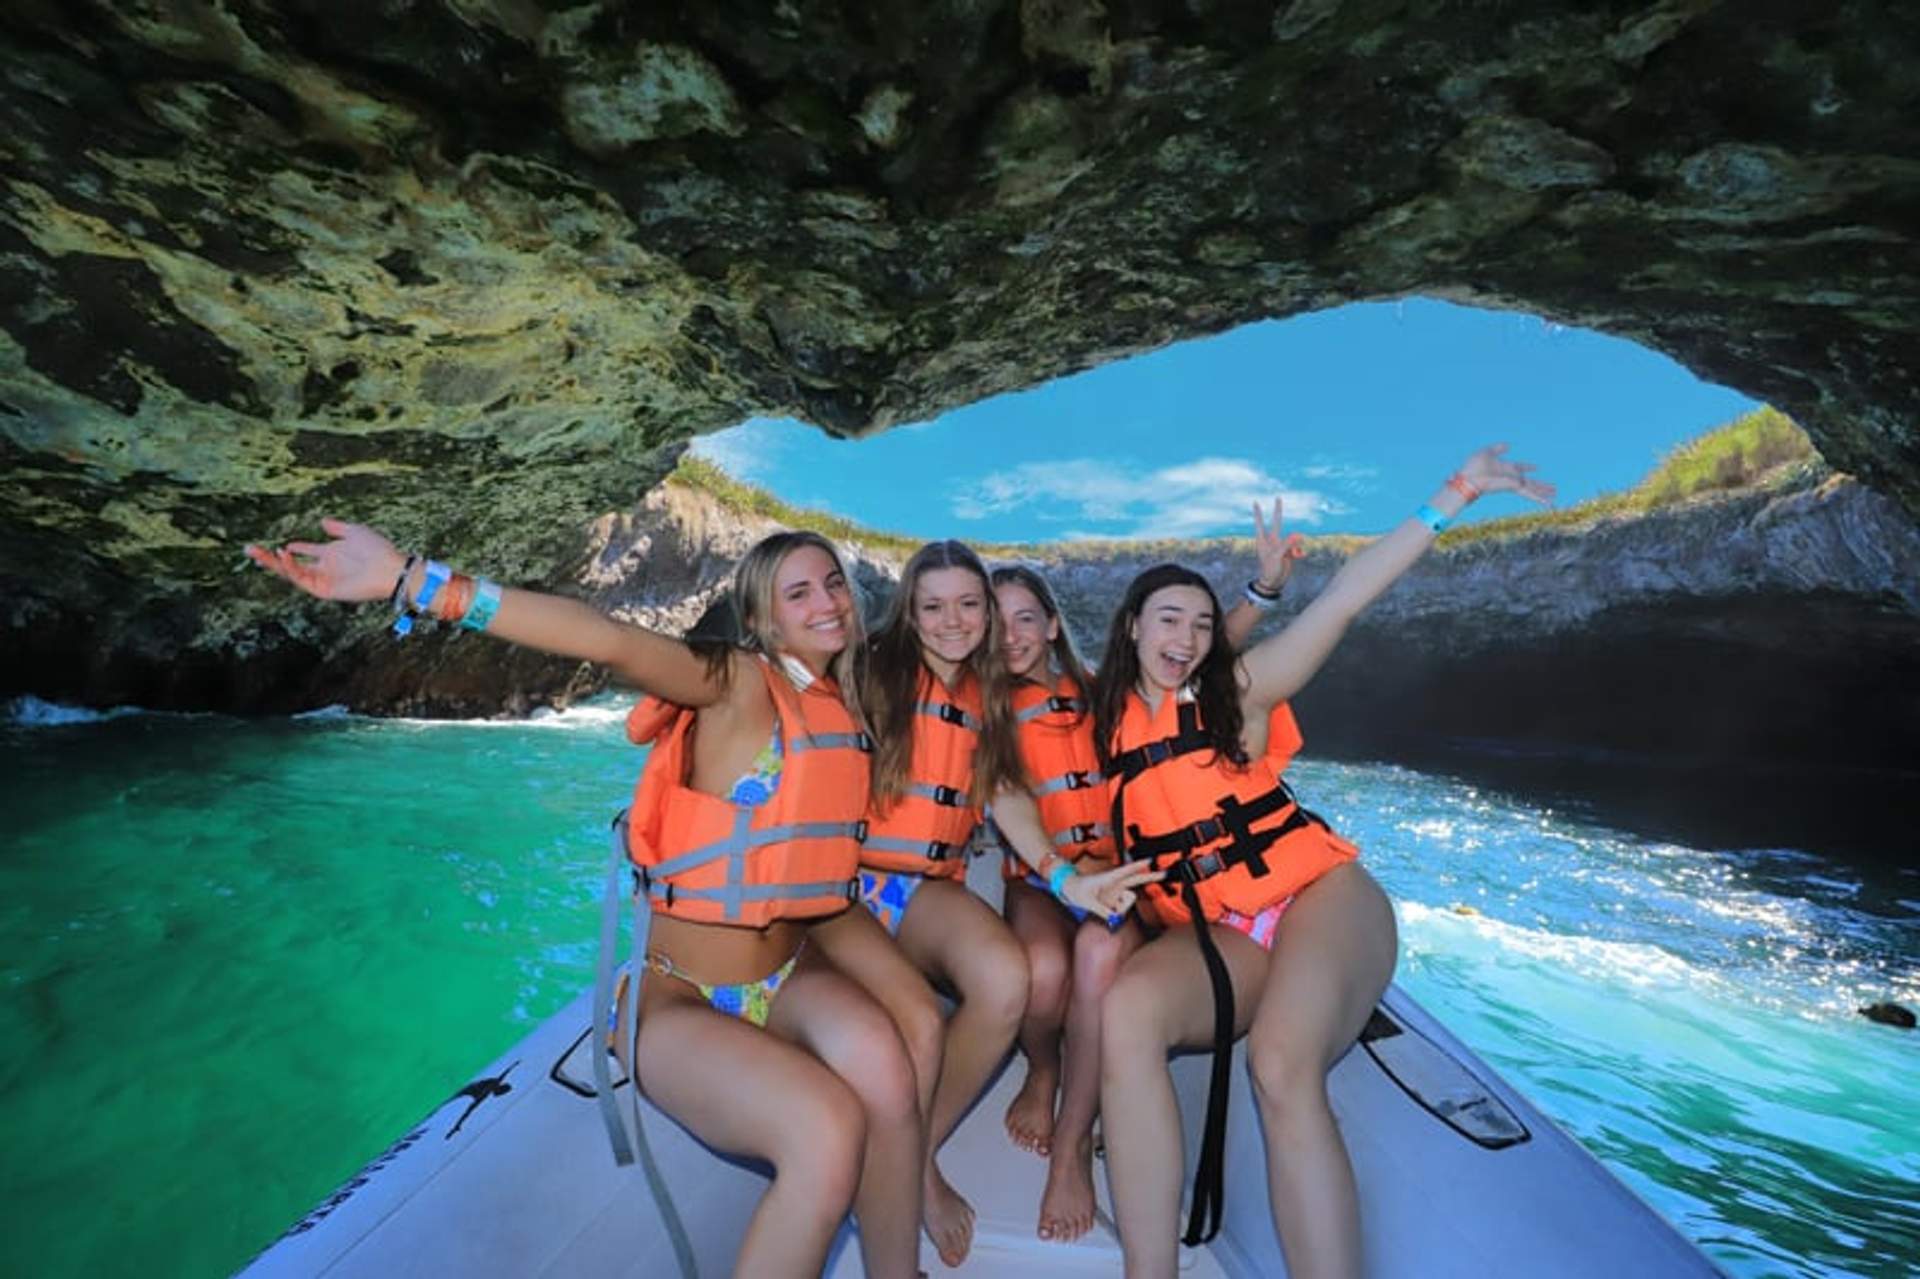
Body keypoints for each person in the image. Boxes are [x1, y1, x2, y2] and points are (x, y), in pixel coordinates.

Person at [245, 523, 925, 1279]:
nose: (827, 601)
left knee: (887, 1067)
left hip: (787, 973)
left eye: (834, 583)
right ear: (762, 619)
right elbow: (610, 641)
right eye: (798, 591)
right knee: (826, 1131)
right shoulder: (737, 681)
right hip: (680, 997)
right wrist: (417, 581)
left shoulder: (841, 709)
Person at [1093, 447, 1554, 1279]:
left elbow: (1344, 598)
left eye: (1200, 624)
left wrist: (1454, 492)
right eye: (1169, 618)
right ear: (1132, 626)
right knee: (1126, 1012)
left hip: (1319, 898)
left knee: (1280, 1062)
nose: (1187, 636)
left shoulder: (1241, 689)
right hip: (1228, 931)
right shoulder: (1110, 723)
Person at [808, 538, 1157, 1268]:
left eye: (970, 604)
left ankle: (915, 1149)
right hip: (847, 890)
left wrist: (1068, 880)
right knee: (915, 1022)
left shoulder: (989, 696)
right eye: (933, 605)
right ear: (909, 609)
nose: (953, 620)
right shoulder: (867, 667)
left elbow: (1004, 795)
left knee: (1008, 978)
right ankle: (917, 1176)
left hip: (927, 889)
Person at [990, 505, 1298, 1244]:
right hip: (1045, 878)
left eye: (1026, 617)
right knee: (1037, 969)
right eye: (995, 622)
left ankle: (1072, 1149)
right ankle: (1042, 1068)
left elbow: (1195, 649)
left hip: (1122, 879)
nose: (1013, 636)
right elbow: (1001, 798)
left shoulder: (1104, 692)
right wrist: (1061, 876)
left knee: (1097, 954)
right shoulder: (982, 711)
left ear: (1053, 626)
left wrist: (1261, 591)